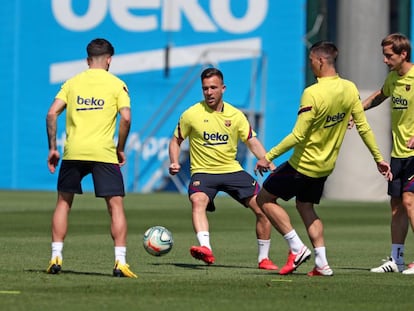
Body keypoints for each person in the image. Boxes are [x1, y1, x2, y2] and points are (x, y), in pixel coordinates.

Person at [255, 41, 392, 276]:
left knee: (264, 199)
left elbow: (298, 135)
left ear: (320, 61)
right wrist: (378, 158)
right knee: (305, 206)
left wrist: (268, 157)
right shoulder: (349, 88)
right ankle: (322, 264)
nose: (310, 66)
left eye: (311, 61)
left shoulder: (313, 93)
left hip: (303, 164)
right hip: (325, 167)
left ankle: (296, 248)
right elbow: (363, 127)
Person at [168, 67, 278, 270]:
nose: (209, 92)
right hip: (203, 171)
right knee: (198, 200)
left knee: (264, 208)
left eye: (213, 87)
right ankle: (205, 248)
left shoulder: (236, 115)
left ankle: (264, 258)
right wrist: (174, 160)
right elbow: (175, 140)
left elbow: (251, 140)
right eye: (205, 88)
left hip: (231, 170)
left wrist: (267, 160)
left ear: (223, 88)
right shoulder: (191, 114)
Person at [45, 38, 137, 278]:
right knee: (115, 206)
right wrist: (120, 147)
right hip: (103, 153)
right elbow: (126, 118)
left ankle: (56, 255)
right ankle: (120, 262)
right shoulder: (117, 84)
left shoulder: (72, 82)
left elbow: (51, 113)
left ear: (87, 60)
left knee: (64, 203)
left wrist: (53, 148)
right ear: (109, 60)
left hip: (73, 151)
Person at [362, 33, 414, 274]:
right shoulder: (393, 78)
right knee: (396, 206)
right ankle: (397, 259)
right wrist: (357, 110)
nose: (385, 60)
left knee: (409, 201)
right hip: (398, 153)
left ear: (403, 54)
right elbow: (379, 96)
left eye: (389, 55)